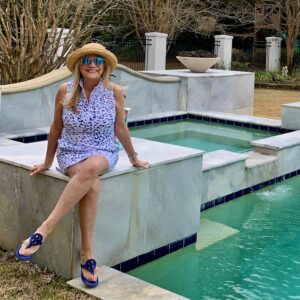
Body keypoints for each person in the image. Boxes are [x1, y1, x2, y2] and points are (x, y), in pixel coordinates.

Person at [15, 43, 150, 287]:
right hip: (70, 153)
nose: (92, 64)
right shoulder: (65, 90)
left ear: (105, 66)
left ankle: (44, 229)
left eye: (98, 61)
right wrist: (47, 161)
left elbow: (120, 128)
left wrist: (133, 157)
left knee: (91, 168)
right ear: (79, 64)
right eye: (87, 59)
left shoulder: (114, 92)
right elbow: (56, 128)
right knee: (92, 184)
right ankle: (87, 254)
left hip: (104, 151)